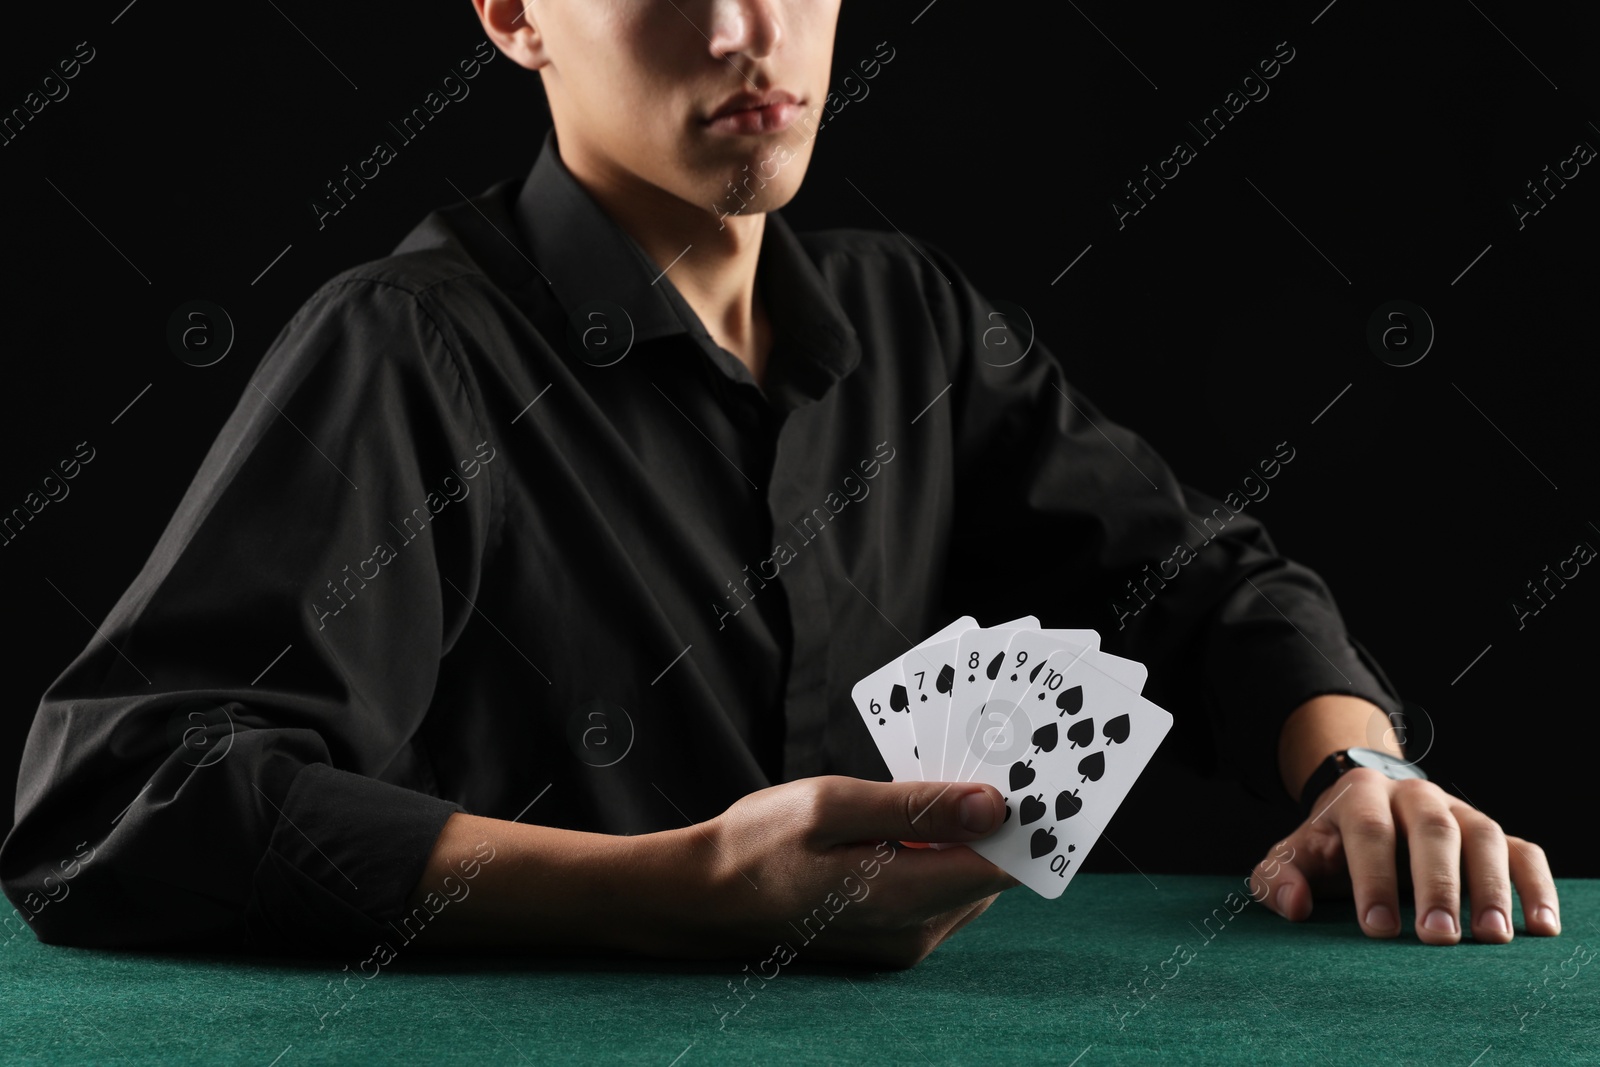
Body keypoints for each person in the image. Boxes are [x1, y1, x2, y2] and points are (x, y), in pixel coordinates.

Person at [0, 0, 1558, 967]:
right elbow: (117, 800)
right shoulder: (405, 350)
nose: (751, 28)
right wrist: (665, 890)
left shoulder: (915, 321)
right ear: (511, 14)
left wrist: (1363, 778)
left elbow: (1212, 587)